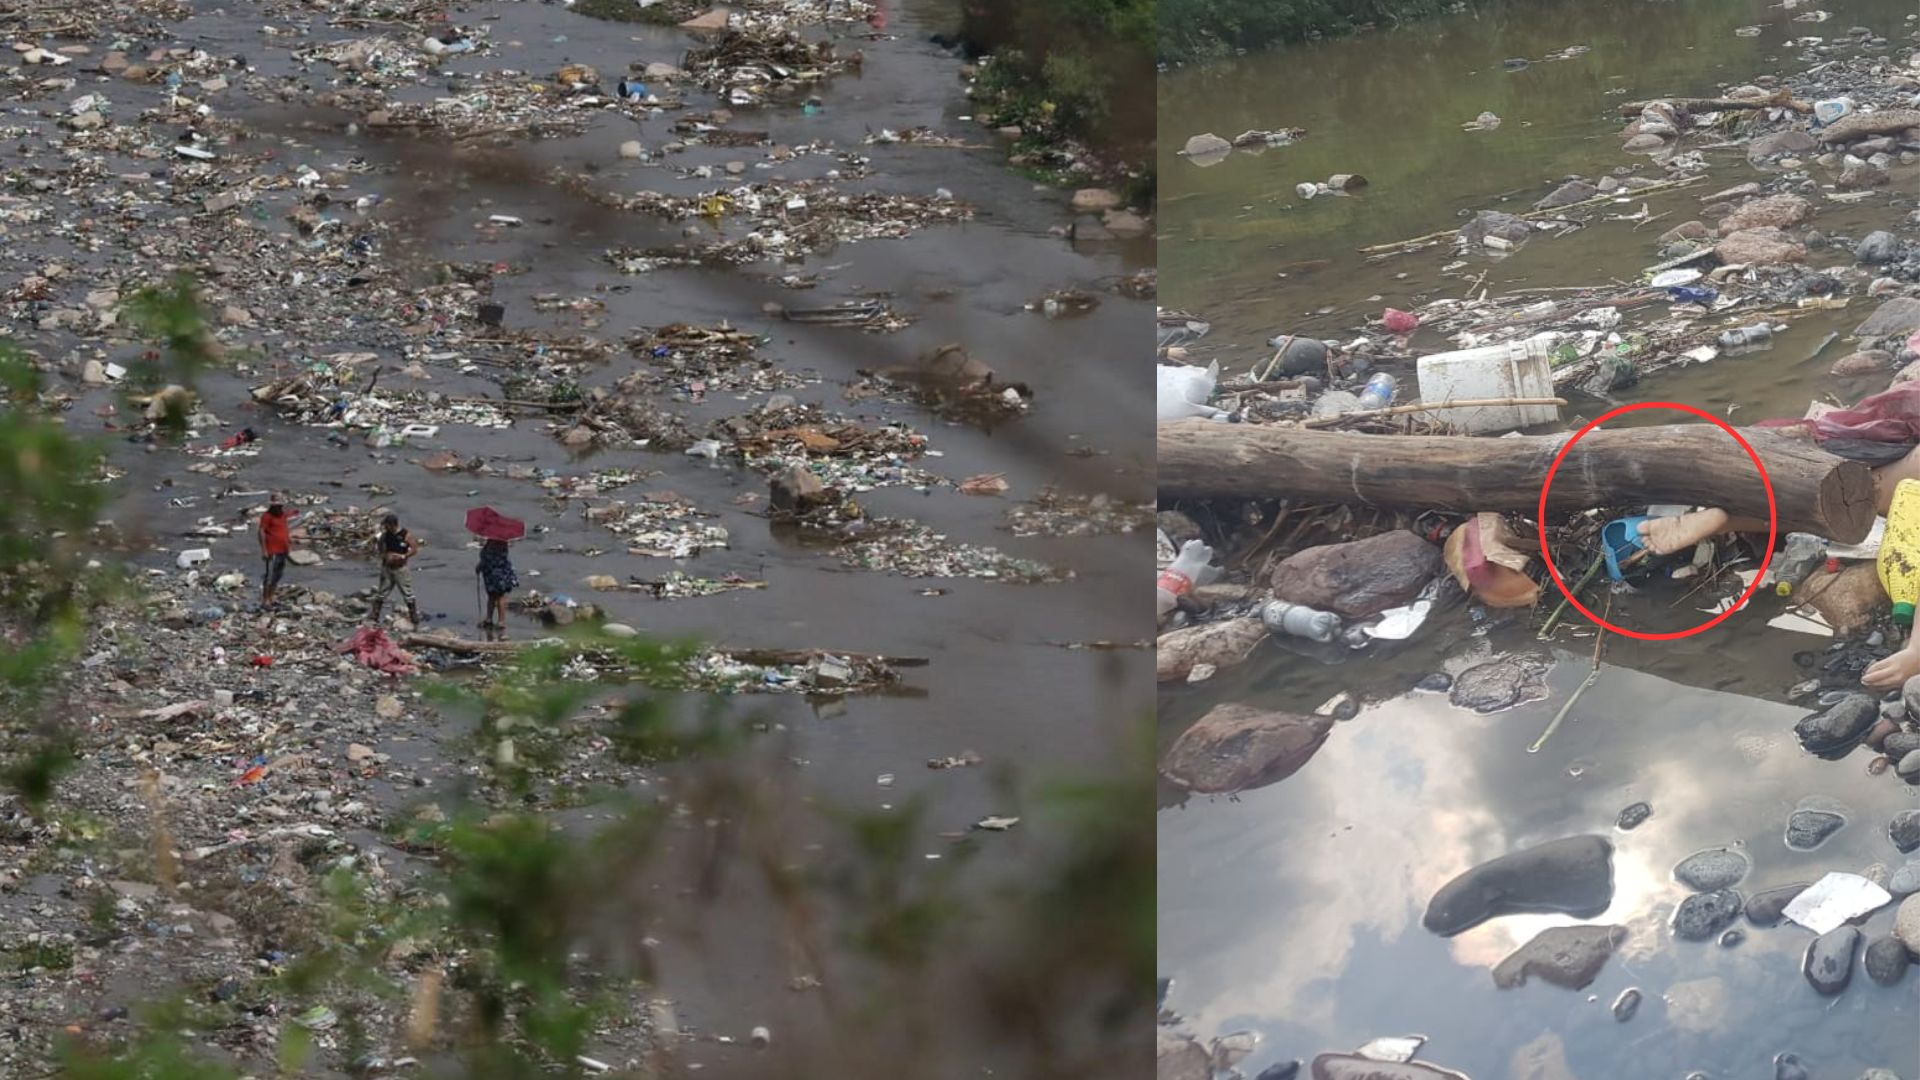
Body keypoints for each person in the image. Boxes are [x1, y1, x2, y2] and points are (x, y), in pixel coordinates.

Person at [371, 513, 422, 626]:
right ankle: (375, 616)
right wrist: (384, 555)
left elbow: (414, 549)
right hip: (387, 568)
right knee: (381, 593)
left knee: (407, 593)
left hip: (400, 569)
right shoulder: (385, 535)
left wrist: (404, 556)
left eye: (387, 525)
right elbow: (379, 545)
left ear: (393, 525)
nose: (386, 527)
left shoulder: (405, 534)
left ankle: (414, 617)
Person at [257, 493, 296, 610]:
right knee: (269, 576)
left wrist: (288, 543)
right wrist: (264, 550)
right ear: (272, 506)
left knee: (278, 575)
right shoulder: (267, 516)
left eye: (280, 505)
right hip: (272, 550)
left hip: (283, 550)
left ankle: (272, 597)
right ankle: (265, 600)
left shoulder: (282, 515)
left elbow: (284, 530)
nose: (279, 508)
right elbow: (261, 532)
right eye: (277, 506)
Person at [476, 537, 518, 637]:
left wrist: (480, 566)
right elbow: (486, 558)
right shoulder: (497, 542)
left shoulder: (498, 544)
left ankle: (499, 620)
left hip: (497, 573)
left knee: (498, 596)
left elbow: (488, 558)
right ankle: (492, 619)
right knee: (494, 595)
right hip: (494, 572)